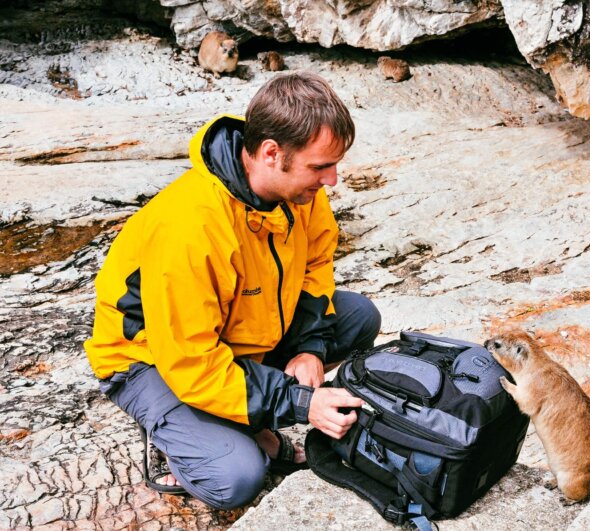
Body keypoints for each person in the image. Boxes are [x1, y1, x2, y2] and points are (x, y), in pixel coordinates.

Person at [84, 71, 381, 510]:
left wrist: (310, 348)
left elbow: (316, 264)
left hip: (238, 336)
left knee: (358, 317)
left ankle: (232, 415)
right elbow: (192, 361)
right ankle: (184, 436)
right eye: (320, 166)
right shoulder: (191, 227)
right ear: (270, 153)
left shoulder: (299, 194)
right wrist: (301, 403)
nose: (332, 180)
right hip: (152, 361)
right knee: (236, 478)